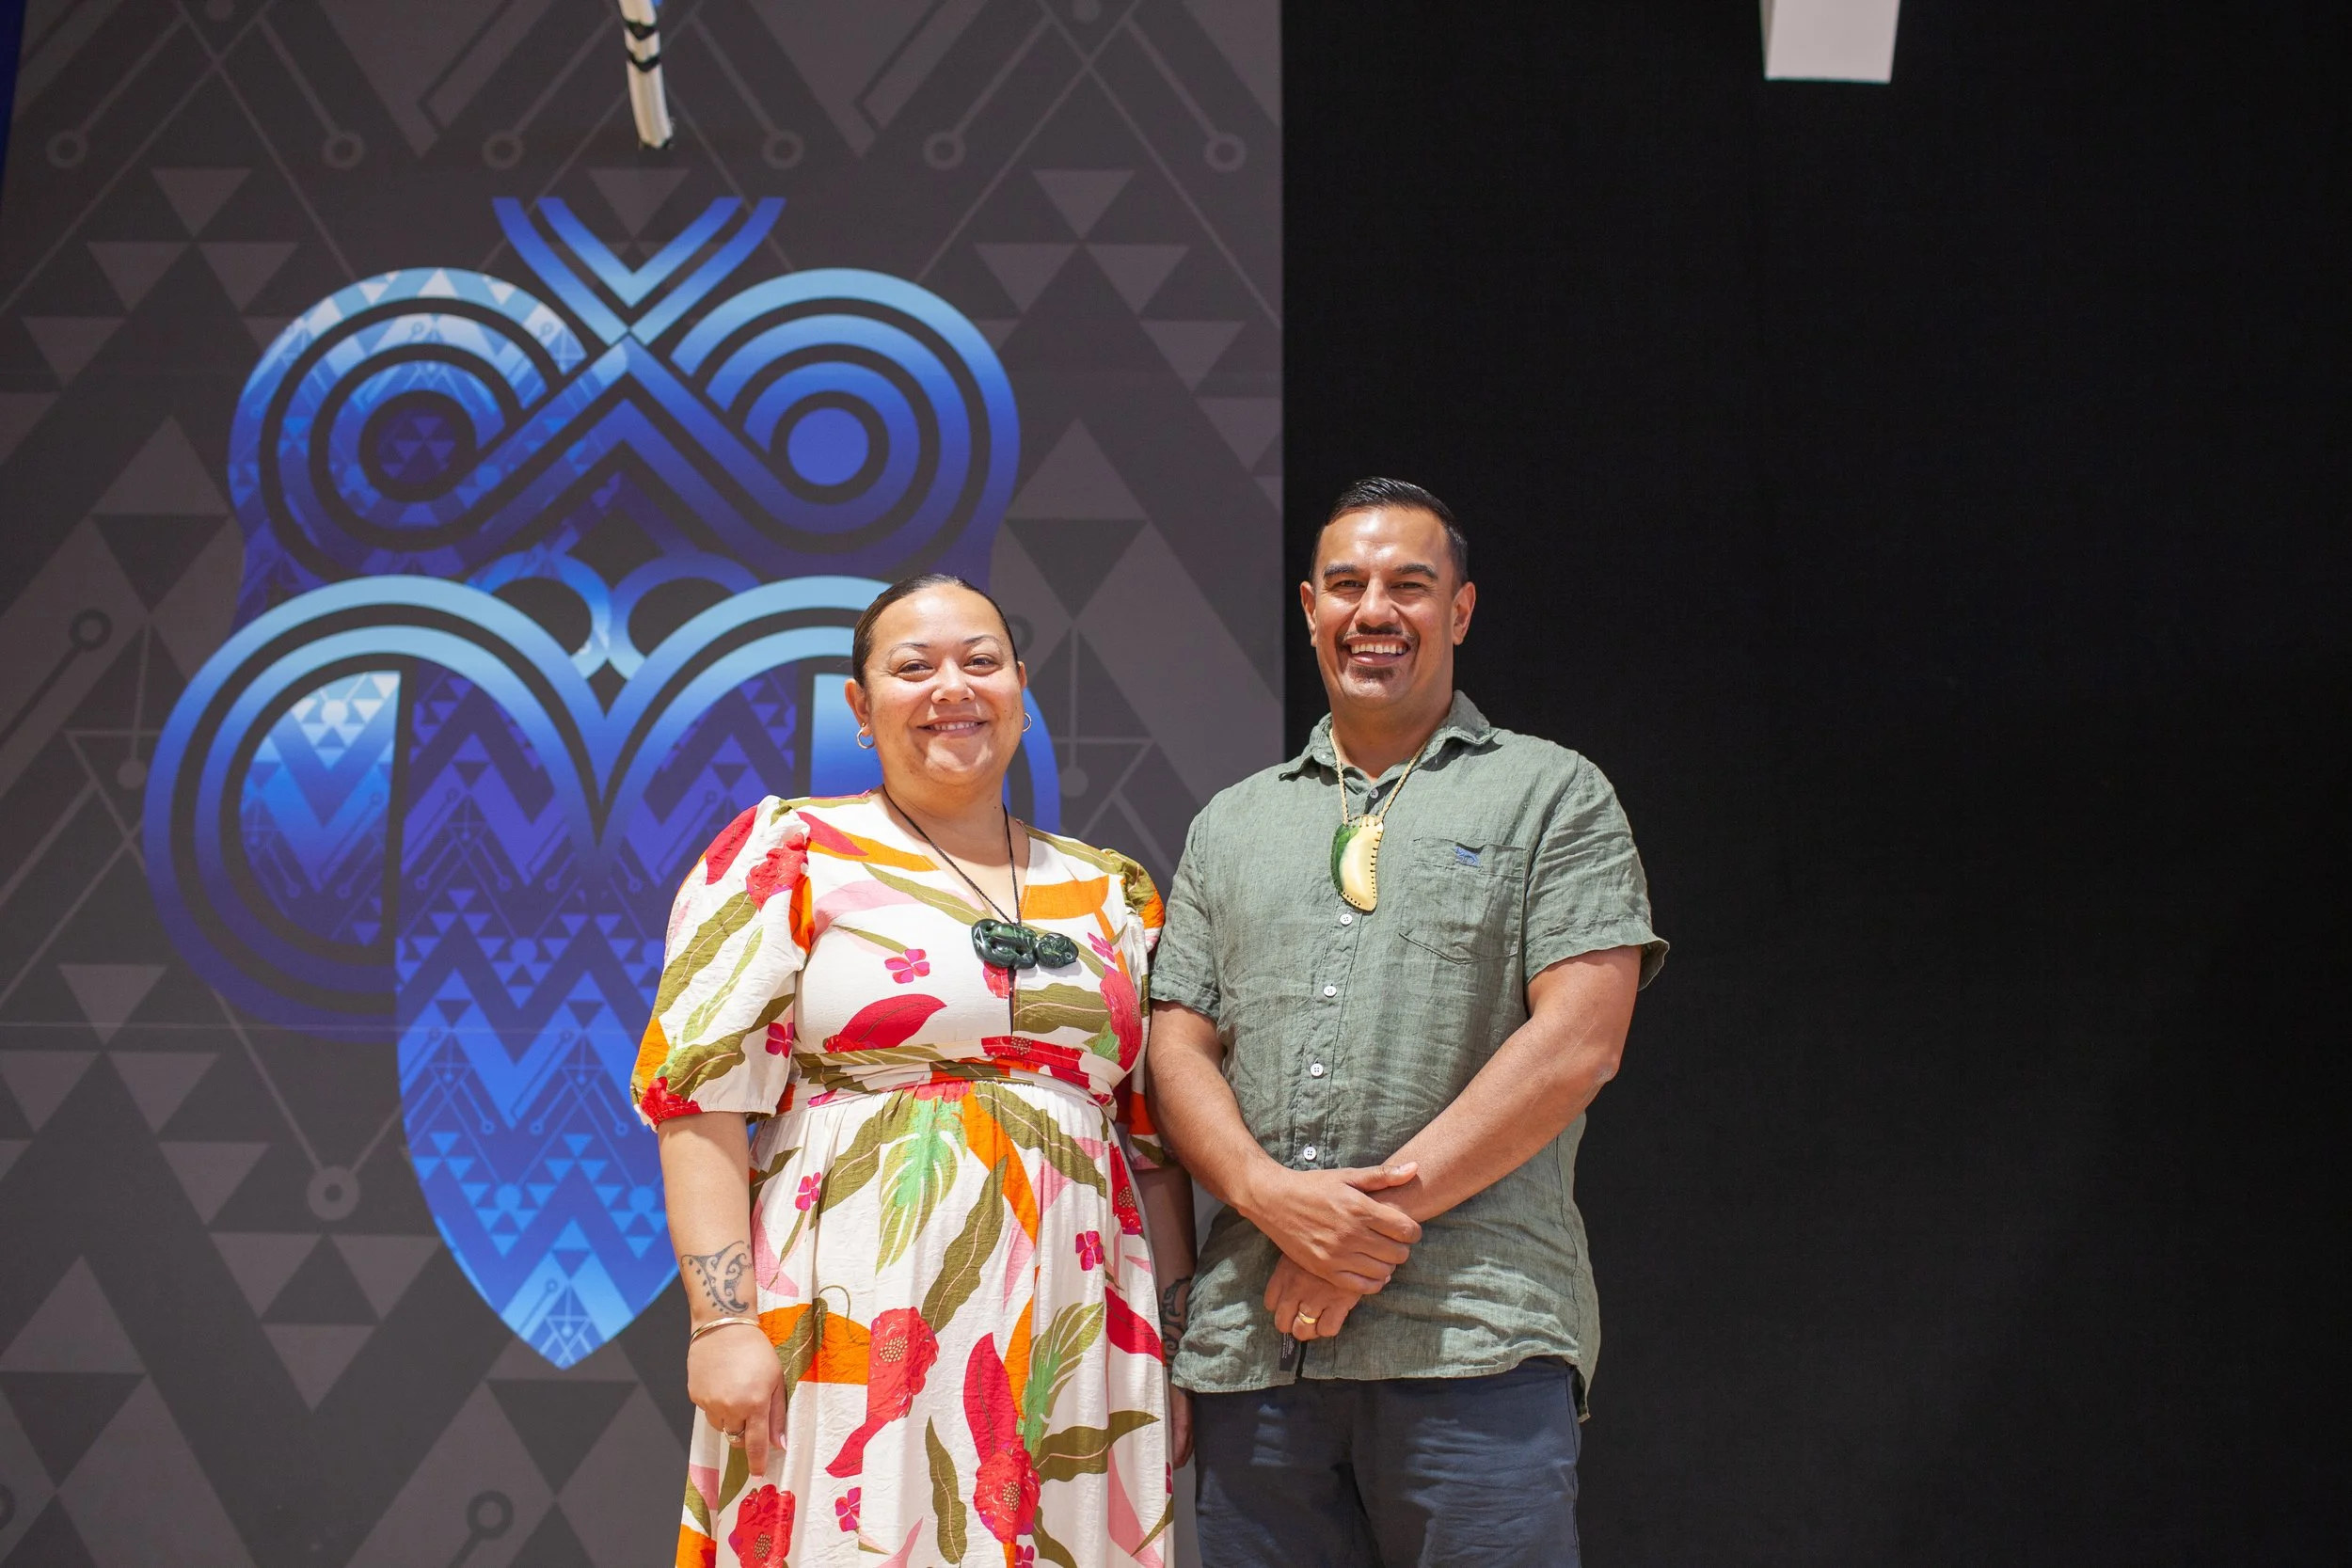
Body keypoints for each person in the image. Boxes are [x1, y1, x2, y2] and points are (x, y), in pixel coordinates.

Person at [1146, 478, 1667, 1567]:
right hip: (1256, 1350)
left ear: (1460, 611)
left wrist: (1349, 1242)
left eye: (1408, 585)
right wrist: (1268, 1197)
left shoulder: (1551, 792)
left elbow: (1580, 1041)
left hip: (1473, 1336)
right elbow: (1177, 1042)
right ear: (1307, 606)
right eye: (1346, 584)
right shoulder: (1231, 822)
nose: (1373, 608)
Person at [631, 574, 1196, 1568]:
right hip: (857, 1300)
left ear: (1021, 686)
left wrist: (1179, 1346)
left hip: (1077, 1314)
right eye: (913, 666)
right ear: (859, 705)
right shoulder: (791, 852)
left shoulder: (1112, 890)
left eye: (980, 661)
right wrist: (719, 1322)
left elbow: (1155, 1147)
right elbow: (698, 1103)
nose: (952, 686)